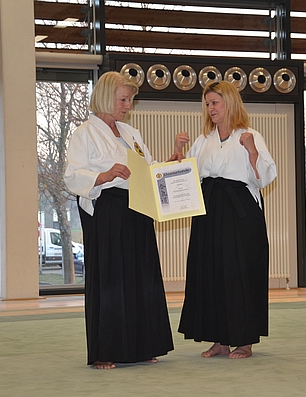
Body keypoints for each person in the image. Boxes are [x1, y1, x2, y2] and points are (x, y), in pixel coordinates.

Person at [64, 71, 184, 369]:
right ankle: (105, 350)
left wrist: (170, 164)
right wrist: (105, 174)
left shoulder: (131, 134)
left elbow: (148, 168)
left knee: (142, 276)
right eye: (123, 99)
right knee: (111, 279)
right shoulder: (84, 134)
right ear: (106, 97)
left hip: (138, 207)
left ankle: (143, 346)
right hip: (108, 209)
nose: (128, 106)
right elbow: (72, 176)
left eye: (130, 100)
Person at [175, 80, 277, 359]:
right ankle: (219, 339)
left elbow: (267, 176)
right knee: (209, 271)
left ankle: (244, 341)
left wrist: (253, 152)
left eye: (215, 103)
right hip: (208, 210)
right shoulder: (203, 140)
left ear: (229, 103)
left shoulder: (250, 135)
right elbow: (186, 176)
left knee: (239, 272)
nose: (210, 108)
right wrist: (177, 152)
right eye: (207, 104)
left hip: (240, 210)